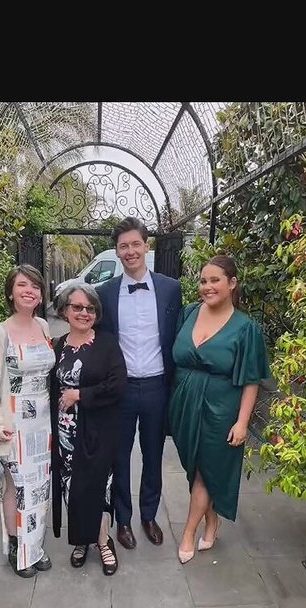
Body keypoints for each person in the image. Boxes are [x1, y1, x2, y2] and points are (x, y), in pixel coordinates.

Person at [169, 255, 270, 564]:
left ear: (232, 283)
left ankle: (188, 533)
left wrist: (242, 422)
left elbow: (251, 379)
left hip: (221, 408)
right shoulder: (188, 313)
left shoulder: (245, 328)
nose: (208, 286)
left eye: (215, 280)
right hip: (185, 405)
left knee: (205, 470)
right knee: (196, 467)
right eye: (203, 281)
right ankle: (212, 520)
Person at [98, 217, 182, 550]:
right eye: (124, 246)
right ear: (117, 251)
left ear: (146, 246)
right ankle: (123, 520)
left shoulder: (170, 289)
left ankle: (149, 515)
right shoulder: (105, 293)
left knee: (153, 454)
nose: (130, 251)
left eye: (136, 244)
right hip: (120, 388)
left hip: (157, 386)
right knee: (119, 456)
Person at [0, 264, 55, 578]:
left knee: (39, 487)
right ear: (10, 293)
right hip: (13, 425)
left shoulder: (43, 327)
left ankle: (35, 546)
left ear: (41, 295)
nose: (29, 291)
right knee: (16, 486)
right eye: (22, 285)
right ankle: (18, 546)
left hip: (42, 424)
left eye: (35, 286)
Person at [50, 283, 127, 575]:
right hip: (66, 431)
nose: (84, 313)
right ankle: (81, 539)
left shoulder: (106, 343)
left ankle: (103, 541)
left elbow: (118, 385)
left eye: (90, 308)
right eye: (77, 307)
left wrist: (79, 394)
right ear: (65, 311)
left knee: (99, 485)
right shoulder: (57, 345)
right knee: (72, 485)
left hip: (98, 427)